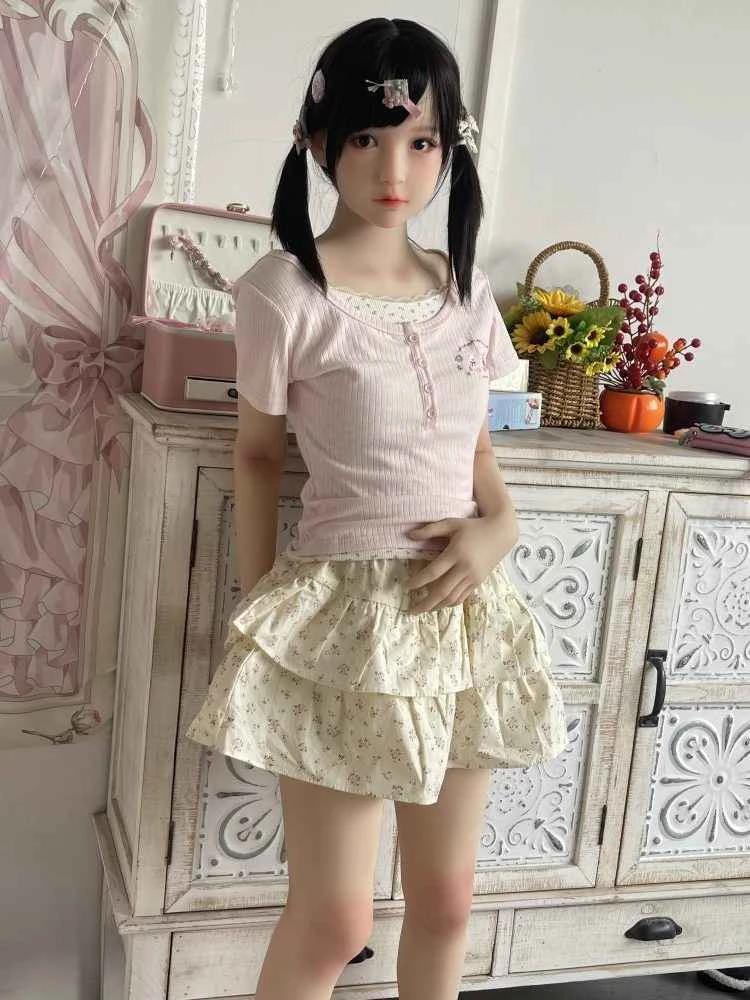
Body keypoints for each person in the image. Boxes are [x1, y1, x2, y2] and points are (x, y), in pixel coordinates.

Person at [186, 17, 567, 1000]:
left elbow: (478, 453)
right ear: (321, 143)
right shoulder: (284, 290)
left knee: (448, 902)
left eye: (421, 141)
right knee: (335, 919)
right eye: (366, 137)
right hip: (342, 624)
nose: (395, 168)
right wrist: (260, 611)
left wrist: (501, 527)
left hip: (463, 618)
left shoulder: (465, 290)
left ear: (449, 148)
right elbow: (257, 455)